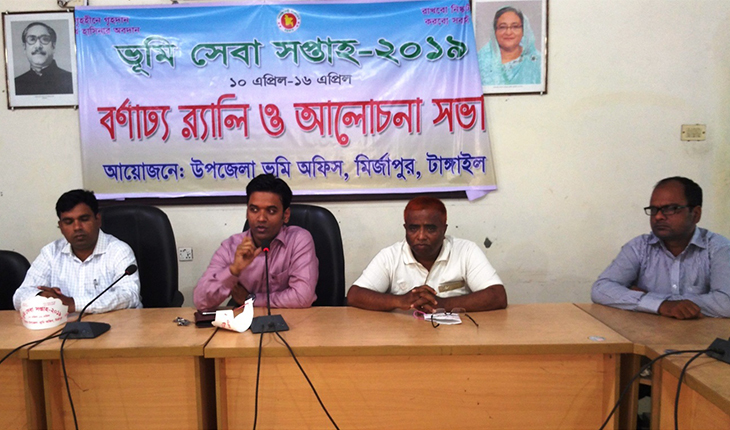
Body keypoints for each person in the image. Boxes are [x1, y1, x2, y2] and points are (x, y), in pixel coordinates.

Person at [592, 177, 730, 319]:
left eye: (670, 209)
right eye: (654, 209)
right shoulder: (639, 247)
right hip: (647, 331)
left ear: (695, 214)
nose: (658, 216)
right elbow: (601, 289)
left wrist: (650, 300)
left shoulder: (719, 249)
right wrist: (662, 305)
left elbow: (726, 303)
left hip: (702, 333)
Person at [347, 197, 507, 312]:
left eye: (430, 228)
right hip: (403, 336)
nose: (421, 236)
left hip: (456, 337)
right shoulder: (390, 256)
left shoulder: (466, 251)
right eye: (413, 228)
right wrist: (400, 301)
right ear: (406, 229)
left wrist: (442, 304)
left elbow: (497, 296)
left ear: (444, 229)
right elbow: (355, 295)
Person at [194, 174, 318, 310]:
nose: (261, 218)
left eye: (271, 211)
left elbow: (302, 297)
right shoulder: (231, 246)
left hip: (292, 319)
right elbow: (201, 302)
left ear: (286, 215)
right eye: (254, 210)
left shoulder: (298, 240)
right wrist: (233, 271)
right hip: (245, 320)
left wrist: (250, 299)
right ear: (247, 213)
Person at [13, 190, 142, 313]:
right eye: (68, 222)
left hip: (116, 324)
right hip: (65, 326)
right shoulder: (50, 253)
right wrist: (43, 297)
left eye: (84, 219)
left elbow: (129, 295)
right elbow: (20, 295)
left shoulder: (118, 251)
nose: (77, 227)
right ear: (61, 227)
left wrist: (72, 303)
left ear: (98, 220)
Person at [478, 6, 541, 87]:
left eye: (515, 26)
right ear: (494, 31)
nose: (508, 32)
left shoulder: (538, 62)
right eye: (502, 27)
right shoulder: (479, 62)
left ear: (523, 30)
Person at [14, 22, 73, 96]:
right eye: (32, 39)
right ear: (24, 48)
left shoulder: (71, 80)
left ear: (53, 46)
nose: (38, 46)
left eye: (44, 39)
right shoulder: (16, 84)